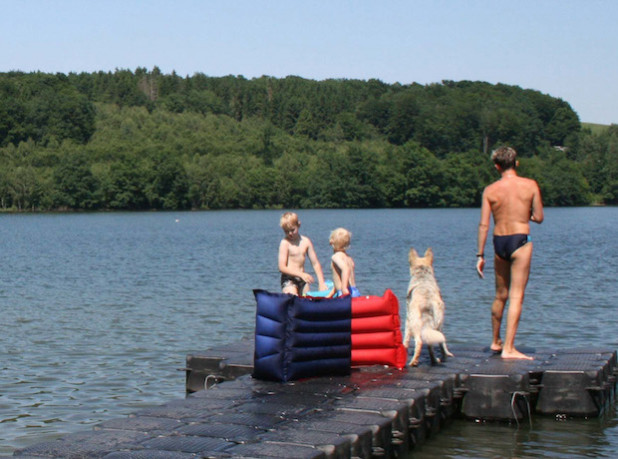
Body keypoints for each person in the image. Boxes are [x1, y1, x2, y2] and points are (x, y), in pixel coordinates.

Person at [476, 146, 544, 360]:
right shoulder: (530, 185)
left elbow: (484, 226)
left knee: (500, 294)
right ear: (517, 163)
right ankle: (509, 348)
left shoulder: (490, 190)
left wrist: (480, 255)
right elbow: (539, 217)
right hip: (520, 240)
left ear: (497, 166)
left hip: (499, 242)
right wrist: (526, 215)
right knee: (516, 295)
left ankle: (495, 341)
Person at [278, 212, 327, 295]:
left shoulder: (306, 242)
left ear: (298, 225)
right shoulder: (285, 243)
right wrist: (301, 274)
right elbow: (282, 267)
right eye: (286, 231)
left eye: (292, 230)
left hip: (302, 279)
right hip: (289, 279)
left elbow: (315, 264)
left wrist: (321, 282)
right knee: (293, 297)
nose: (290, 233)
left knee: (307, 298)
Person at [327, 228, 361, 298]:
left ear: (331, 241)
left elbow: (345, 269)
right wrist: (329, 296)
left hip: (344, 293)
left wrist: (344, 288)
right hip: (354, 291)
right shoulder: (349, 258)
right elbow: (339, 282)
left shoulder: (335, 257)